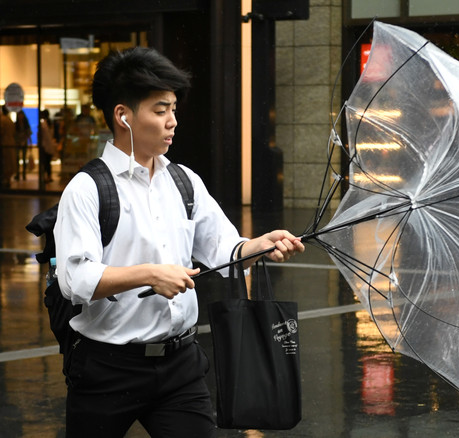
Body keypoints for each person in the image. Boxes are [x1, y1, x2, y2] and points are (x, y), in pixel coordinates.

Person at [54, 47, 305, 438]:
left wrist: (257, 246)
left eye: (173, 109)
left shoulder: (183, 180)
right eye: (160, 110)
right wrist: (149, 275)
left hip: (180, 368)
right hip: (106, 369)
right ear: (123, 115)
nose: (172, 122)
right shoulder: (87, 189)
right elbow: (74, 279)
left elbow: (224, 248)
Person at [0, 105, 17, 187]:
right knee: (9, 163)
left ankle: (6, 180)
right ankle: (7, 180)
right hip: (10, 143)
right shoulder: (9, 120)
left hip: (4, 144)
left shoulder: (2, 120)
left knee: (6, 163)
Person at [39, 109, 57, 182]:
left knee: (45, 162)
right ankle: (48, 176)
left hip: (45, 146)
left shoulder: (44, 124)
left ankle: (46, 177)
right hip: (49, 145)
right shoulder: (50, 123)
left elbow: (43, 136)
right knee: (48, 162)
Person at [14, 110, 32, 180]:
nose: (20, 116)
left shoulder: (25, 125)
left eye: (21, 115)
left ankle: (24, 174)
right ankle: (18, 173)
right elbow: (14, 135)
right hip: (18, 144)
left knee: (24, 159)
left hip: (24, 143)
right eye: (19, 115)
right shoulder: (16, 124)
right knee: (17, 159)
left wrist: (30, 144)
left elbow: (29, 135)